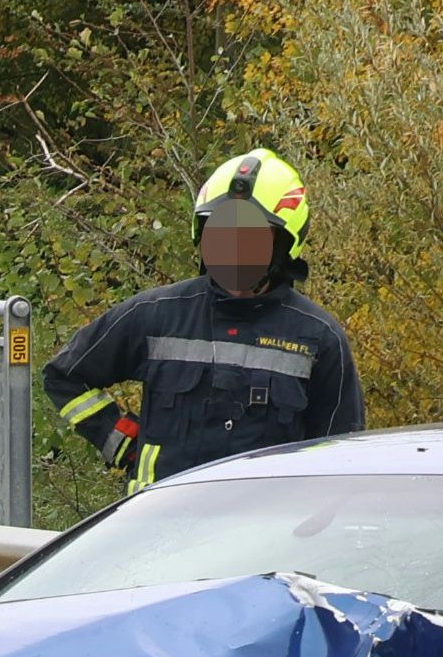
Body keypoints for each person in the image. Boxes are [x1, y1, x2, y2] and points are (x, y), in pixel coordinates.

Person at [42, 149, 365, 488]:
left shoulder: (318, 338)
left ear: (283, 245)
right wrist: (126, 447)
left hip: (263, 534)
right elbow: (64, 376)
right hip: (161, 527)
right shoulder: (156, 314)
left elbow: (339, 457)